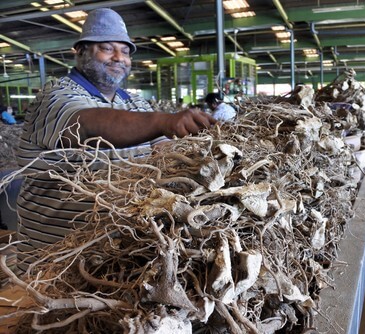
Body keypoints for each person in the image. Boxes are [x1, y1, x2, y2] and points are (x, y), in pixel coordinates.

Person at [15, 8, 216, 271]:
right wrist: (162, 122)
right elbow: (86, 125)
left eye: (125, 51)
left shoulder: (134, 102)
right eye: (107, 49)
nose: (119, 57)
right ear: (82, 52)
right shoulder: (55, 95)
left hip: (111, 258)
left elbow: (163, 151)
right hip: (54, 261)